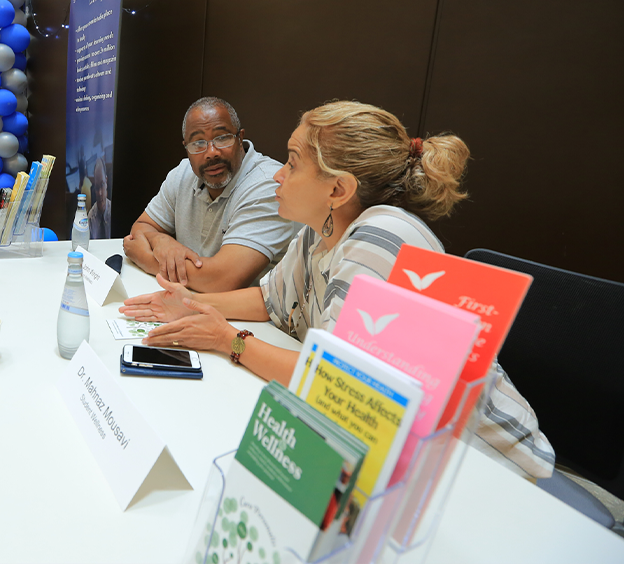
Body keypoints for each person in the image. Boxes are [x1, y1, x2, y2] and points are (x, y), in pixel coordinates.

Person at [121, 100, 555, 480]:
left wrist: (227, 339)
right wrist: (191, 304)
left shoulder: (383, 238)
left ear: (337, 189)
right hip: (401, 450)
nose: (278, 177)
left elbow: (336, 380)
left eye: (291, 164)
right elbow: (269, 299)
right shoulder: (322, 229)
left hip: (480, 466)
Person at [124, 96, 301, 292]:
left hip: (255, 319)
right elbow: (142, 227)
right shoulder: (182, 173)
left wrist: (148, 260)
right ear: (186, 148)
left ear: (240, 138)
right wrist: (161, 240)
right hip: (197, 302)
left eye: (222, 138)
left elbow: (224, 279)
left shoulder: (269, 184)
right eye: (198, 143)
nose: (211, 152)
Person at [87, 156, 112, 239]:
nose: (100, 193)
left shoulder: (113, 211)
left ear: (106, 182)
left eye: (102, 185)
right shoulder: (90, 218)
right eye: (97, 187)